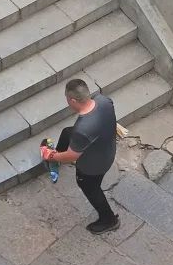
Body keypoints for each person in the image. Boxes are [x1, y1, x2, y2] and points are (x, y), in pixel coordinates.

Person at [40, 79, 120, 233]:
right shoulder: (104, 101)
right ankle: (57, 157)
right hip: (107, 149)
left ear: (73, 100)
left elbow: (71, 156)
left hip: (93, 166)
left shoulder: (82, 129)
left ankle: (109, 220)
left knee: (91, 189)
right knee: (67, 133)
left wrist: (50, 156)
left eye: (67, 99)